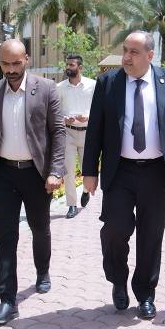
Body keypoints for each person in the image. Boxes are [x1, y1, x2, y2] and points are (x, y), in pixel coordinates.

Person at [82, 31, 165, 320]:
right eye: (125, 50)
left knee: (151, 236)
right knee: (114, 229)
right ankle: (118, 280)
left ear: (150, 55)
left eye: (134, 52)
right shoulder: (108, 83)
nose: (126, 57)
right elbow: (95, 129)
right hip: (120, 171)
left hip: (157, 172)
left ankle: (145, 293)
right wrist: (89, 171)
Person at [0, 39, 65, 326]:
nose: (11, 69)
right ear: (0, 63)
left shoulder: (46, 89)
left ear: (26, 59)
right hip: (2, 174)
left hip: (36, 174)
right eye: (6, 64)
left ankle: (42, 270)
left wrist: (56, 171)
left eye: (16, 63)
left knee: (40, 227)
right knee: (5, 237)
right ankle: (7, 301)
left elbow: (58, 132)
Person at [56, 53, 96, 219]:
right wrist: (64, 118)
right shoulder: (59, 87)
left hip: (87, 133)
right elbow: (55, 111)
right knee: (68, 171)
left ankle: (86, 190)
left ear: (80, 67)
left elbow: (99, 109)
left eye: (71, 65)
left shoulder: (92, 85)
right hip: (68, 133)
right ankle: (72, 204)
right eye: (67, 65)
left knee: (88, 169)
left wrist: (88, 117)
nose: (68, 68)